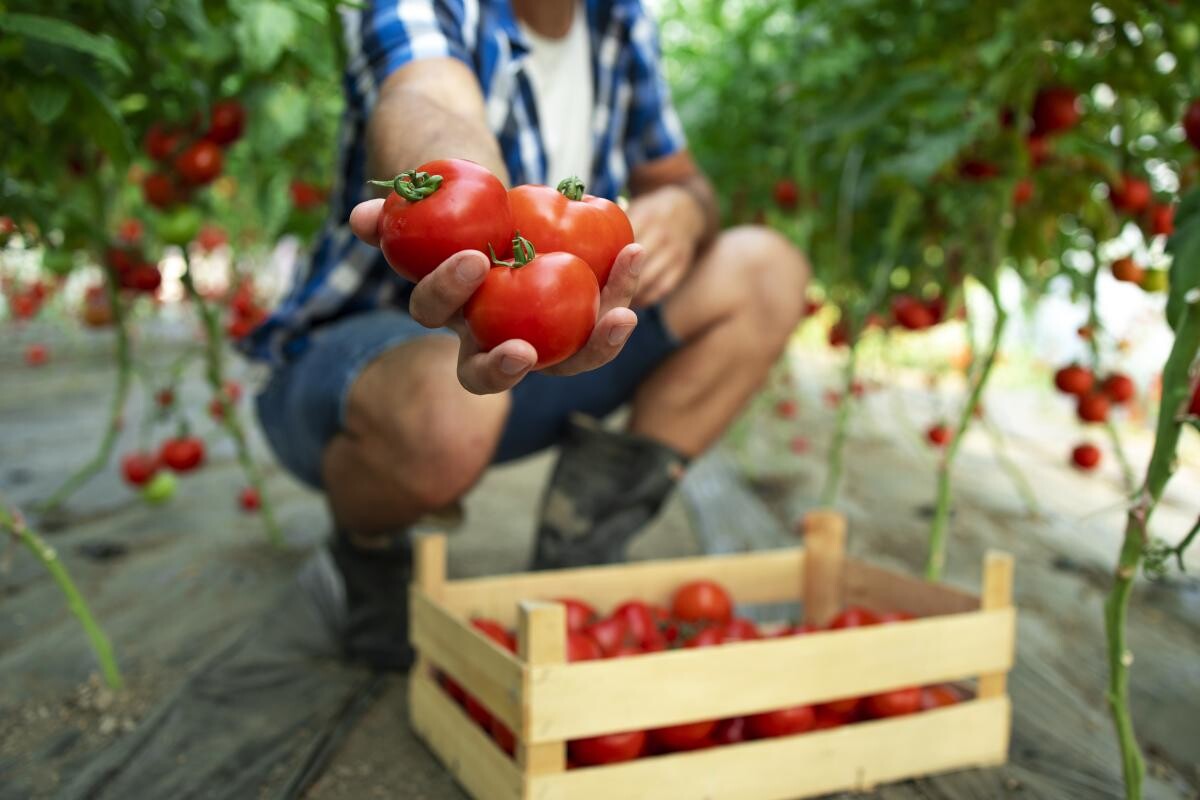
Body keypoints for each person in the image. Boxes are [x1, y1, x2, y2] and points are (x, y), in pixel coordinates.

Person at [243, 0, 808, 669]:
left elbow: (681, 177)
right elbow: (428, 99)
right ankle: (366, 553)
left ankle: (582, 540)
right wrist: (464, 213)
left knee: (766, 269)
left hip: (547, 336)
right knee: (443, 413)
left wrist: (682, 209)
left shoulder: (619, 21)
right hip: (366, 368)